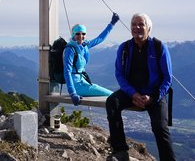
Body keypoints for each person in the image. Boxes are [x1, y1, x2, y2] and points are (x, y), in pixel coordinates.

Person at [106, 13, 176, 161]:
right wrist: (132, 93)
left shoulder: (158, 47)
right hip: (132, 92)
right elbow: (120, 74)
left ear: (148, 28)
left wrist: (153, 97)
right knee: (112, 102)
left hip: (154, 93)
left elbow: (167, 78)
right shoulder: (124, 48)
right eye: (133, 24)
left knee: (160, 127)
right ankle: (120, 150)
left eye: (141, 24)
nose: (136, 27)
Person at [64, 12, 120, 106]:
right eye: (78, 33)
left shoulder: (84, 46)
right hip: (76, 86)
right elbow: (67, 72)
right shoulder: (70, 49)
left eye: (83, 33)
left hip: (82, 82)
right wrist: (72, 93)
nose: (81, 36)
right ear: (73, 35)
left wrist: (112, 24)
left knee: (112, 95)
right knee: (112, 95)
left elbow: (100, 38)